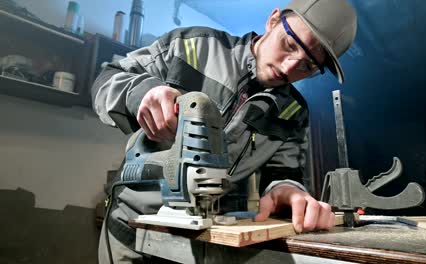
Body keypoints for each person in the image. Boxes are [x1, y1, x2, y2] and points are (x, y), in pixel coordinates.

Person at [92, 0, 357, 262]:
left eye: (308, 66)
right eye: (289, 45)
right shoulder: (193, 45)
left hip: (209, 239)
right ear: (273, 20)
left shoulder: (292, 111)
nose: (289, 68)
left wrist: (288, 190)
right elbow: (107, 79)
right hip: (132, 229)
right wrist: (142, 92)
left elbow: (284, 173)